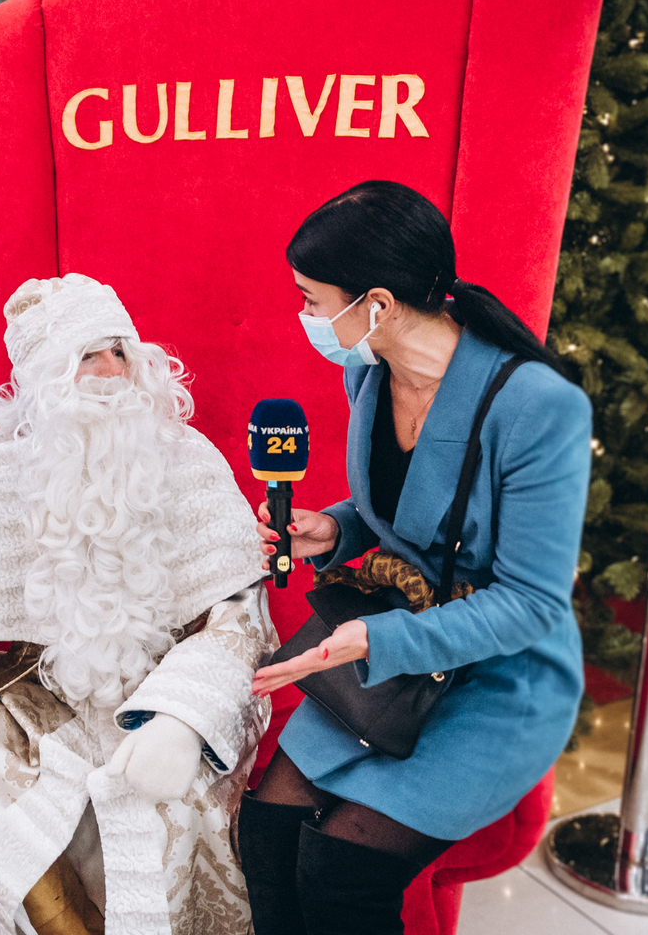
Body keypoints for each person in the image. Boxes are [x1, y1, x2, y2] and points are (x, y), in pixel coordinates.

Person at [0, 274, 274, 935]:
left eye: (120, 353)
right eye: (86, 357)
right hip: (32, 691)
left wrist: (184, 718)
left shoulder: (189, 461)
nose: (110, 373)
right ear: (45, 380)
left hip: (163, 689)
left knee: (169, 813)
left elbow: (239, 619)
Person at [238, 181, 592, 935]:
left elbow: (530, 606)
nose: (303, 315)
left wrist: (377, 639)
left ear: (377, 303)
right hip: (396, 653)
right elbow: (405, 519)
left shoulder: (538, 407)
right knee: (265, 835)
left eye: (310, 298)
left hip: (500, 678)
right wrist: (334, 531)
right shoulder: (367, 369)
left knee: (341, 880)